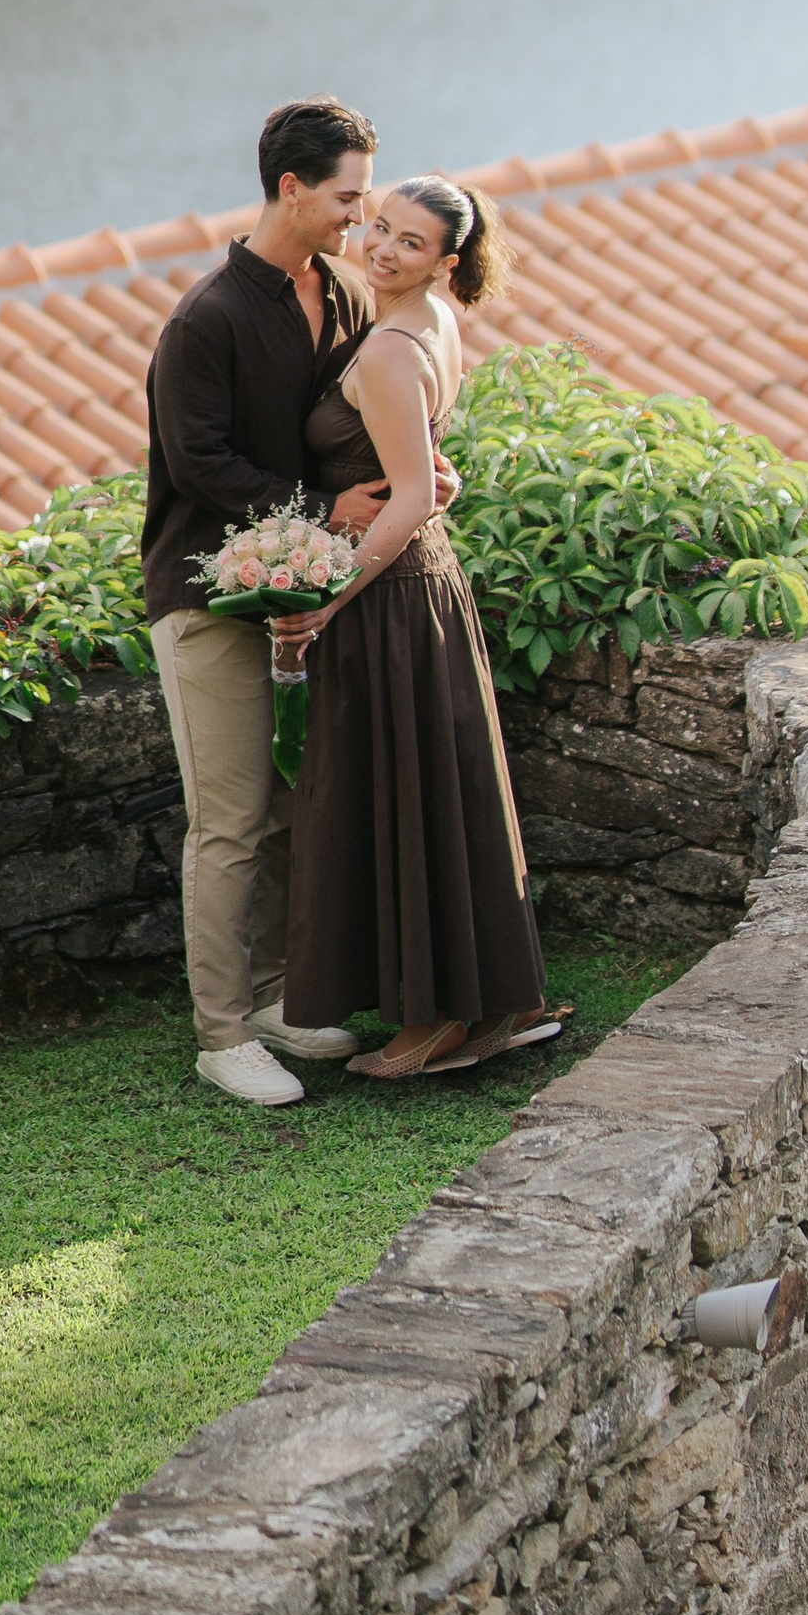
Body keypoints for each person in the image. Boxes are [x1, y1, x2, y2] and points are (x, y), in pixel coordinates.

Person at [144, 94, 389, 1107]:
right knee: (231, 820)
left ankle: (286, 999)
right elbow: (202, 463)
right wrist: (326, 511)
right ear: (290, 188)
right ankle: (221, 1034)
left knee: (295, 803)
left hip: (307, 595)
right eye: (347, 198)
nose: (358, 219)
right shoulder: (204, 319)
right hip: (207, 598)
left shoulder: (340, 291)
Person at [280, 175, 553, 1082]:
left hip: (391, 596)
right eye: (381, 229)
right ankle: (485, 1000)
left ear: (446, 260)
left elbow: (405, 501)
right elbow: (432, 478)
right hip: (422, 586)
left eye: (409, 243)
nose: (383, 249)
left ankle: (433, 1017)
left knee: (406, 792)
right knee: (442, 790)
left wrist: (331, 597)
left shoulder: (394, 346)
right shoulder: (433, 320)